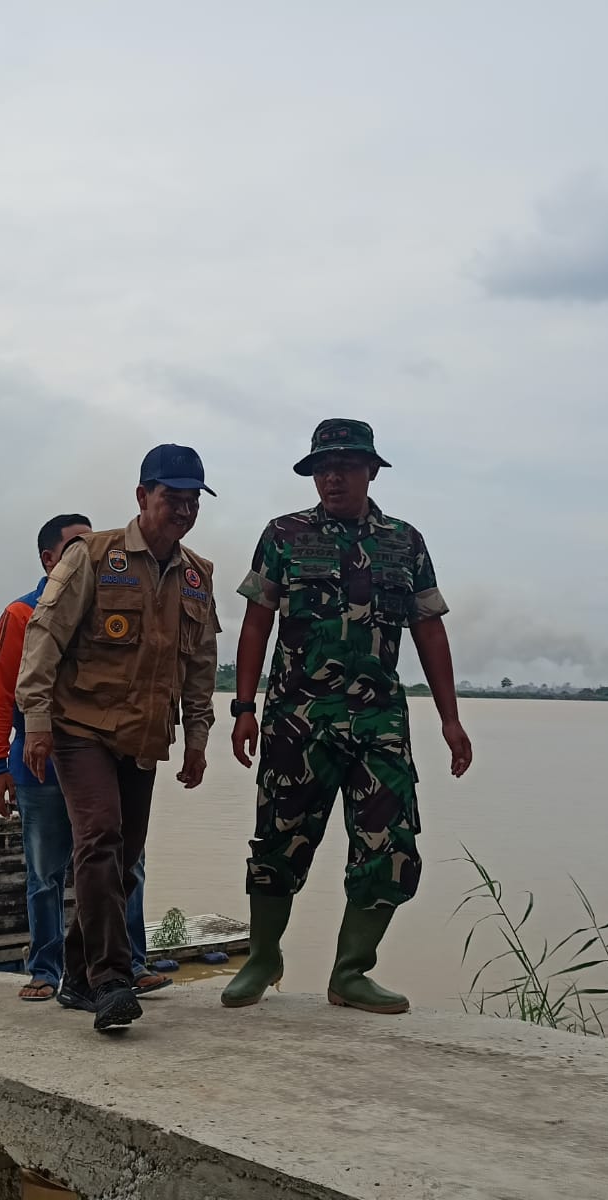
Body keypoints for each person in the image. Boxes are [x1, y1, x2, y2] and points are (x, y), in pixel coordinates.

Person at [222, 419, 474, 1014]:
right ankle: (262, 958)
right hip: (296, 719)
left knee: (390, 845)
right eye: (323, 469)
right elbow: (256, 624)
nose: (332, 478)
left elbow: (429, 630)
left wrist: (451, 719)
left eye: (345, 466)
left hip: (378, 722)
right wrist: (243, 707)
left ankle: (351, 973)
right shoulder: (283, 535)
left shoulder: (405, 542)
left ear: (371, 471)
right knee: (279, 841)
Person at [15, 445, 220, 1032]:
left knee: (122, 862)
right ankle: (112, 981)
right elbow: (44, 636)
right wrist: (36, 723)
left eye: (192, 501)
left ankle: (77, 976)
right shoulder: (92, 555)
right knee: (100, 837)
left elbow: (200, 665)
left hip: (143, 737)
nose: (182, 511)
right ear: (141, 496)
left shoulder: (198, 576)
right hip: (80, 728)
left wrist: (198, 738)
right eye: (171, 498)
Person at [0, 514, 171, 1002]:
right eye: (75, 545)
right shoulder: (21, 614)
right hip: (42, 763)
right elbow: (0, 694)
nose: (89, 551)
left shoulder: (115, 602)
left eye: (92, 541)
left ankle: (130, 962)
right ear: (49, 559)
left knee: (123, 861)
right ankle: (46, 969)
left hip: (106, 757)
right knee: (46, 872)